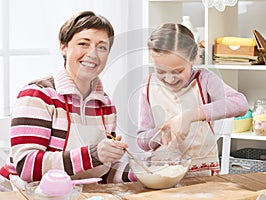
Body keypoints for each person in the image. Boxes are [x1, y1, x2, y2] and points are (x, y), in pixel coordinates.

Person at [0, 11, 135, 192]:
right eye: (83, 44)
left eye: (102, 47)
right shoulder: (38, 95)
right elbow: (26, 166)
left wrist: (144, 171)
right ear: (63, 47)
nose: (93, 54)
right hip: (19, 194)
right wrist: (93, 154)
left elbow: (102, 172)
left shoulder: (106, 106)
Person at [136, 23, 249, 176]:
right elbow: (142, 141)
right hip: (164, 175)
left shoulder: (205, 80)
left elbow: (240, 104)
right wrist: (160, 134)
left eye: (178, 71)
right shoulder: (148, 86)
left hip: (203, 176)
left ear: (194, 58)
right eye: (161, 71)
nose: (169, 78)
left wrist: (190, 116)